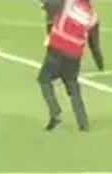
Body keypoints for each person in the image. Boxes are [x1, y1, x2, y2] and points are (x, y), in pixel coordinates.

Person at [39, 0, 104, 132]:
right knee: (73, 86)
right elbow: (94, 43)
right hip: (74, 53)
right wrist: (99, 62)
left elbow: (50, 4)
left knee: (44, 80)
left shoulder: (68, 2)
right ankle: (83, 123)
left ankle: (55, 112)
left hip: (57, 46)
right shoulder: (92, 16)